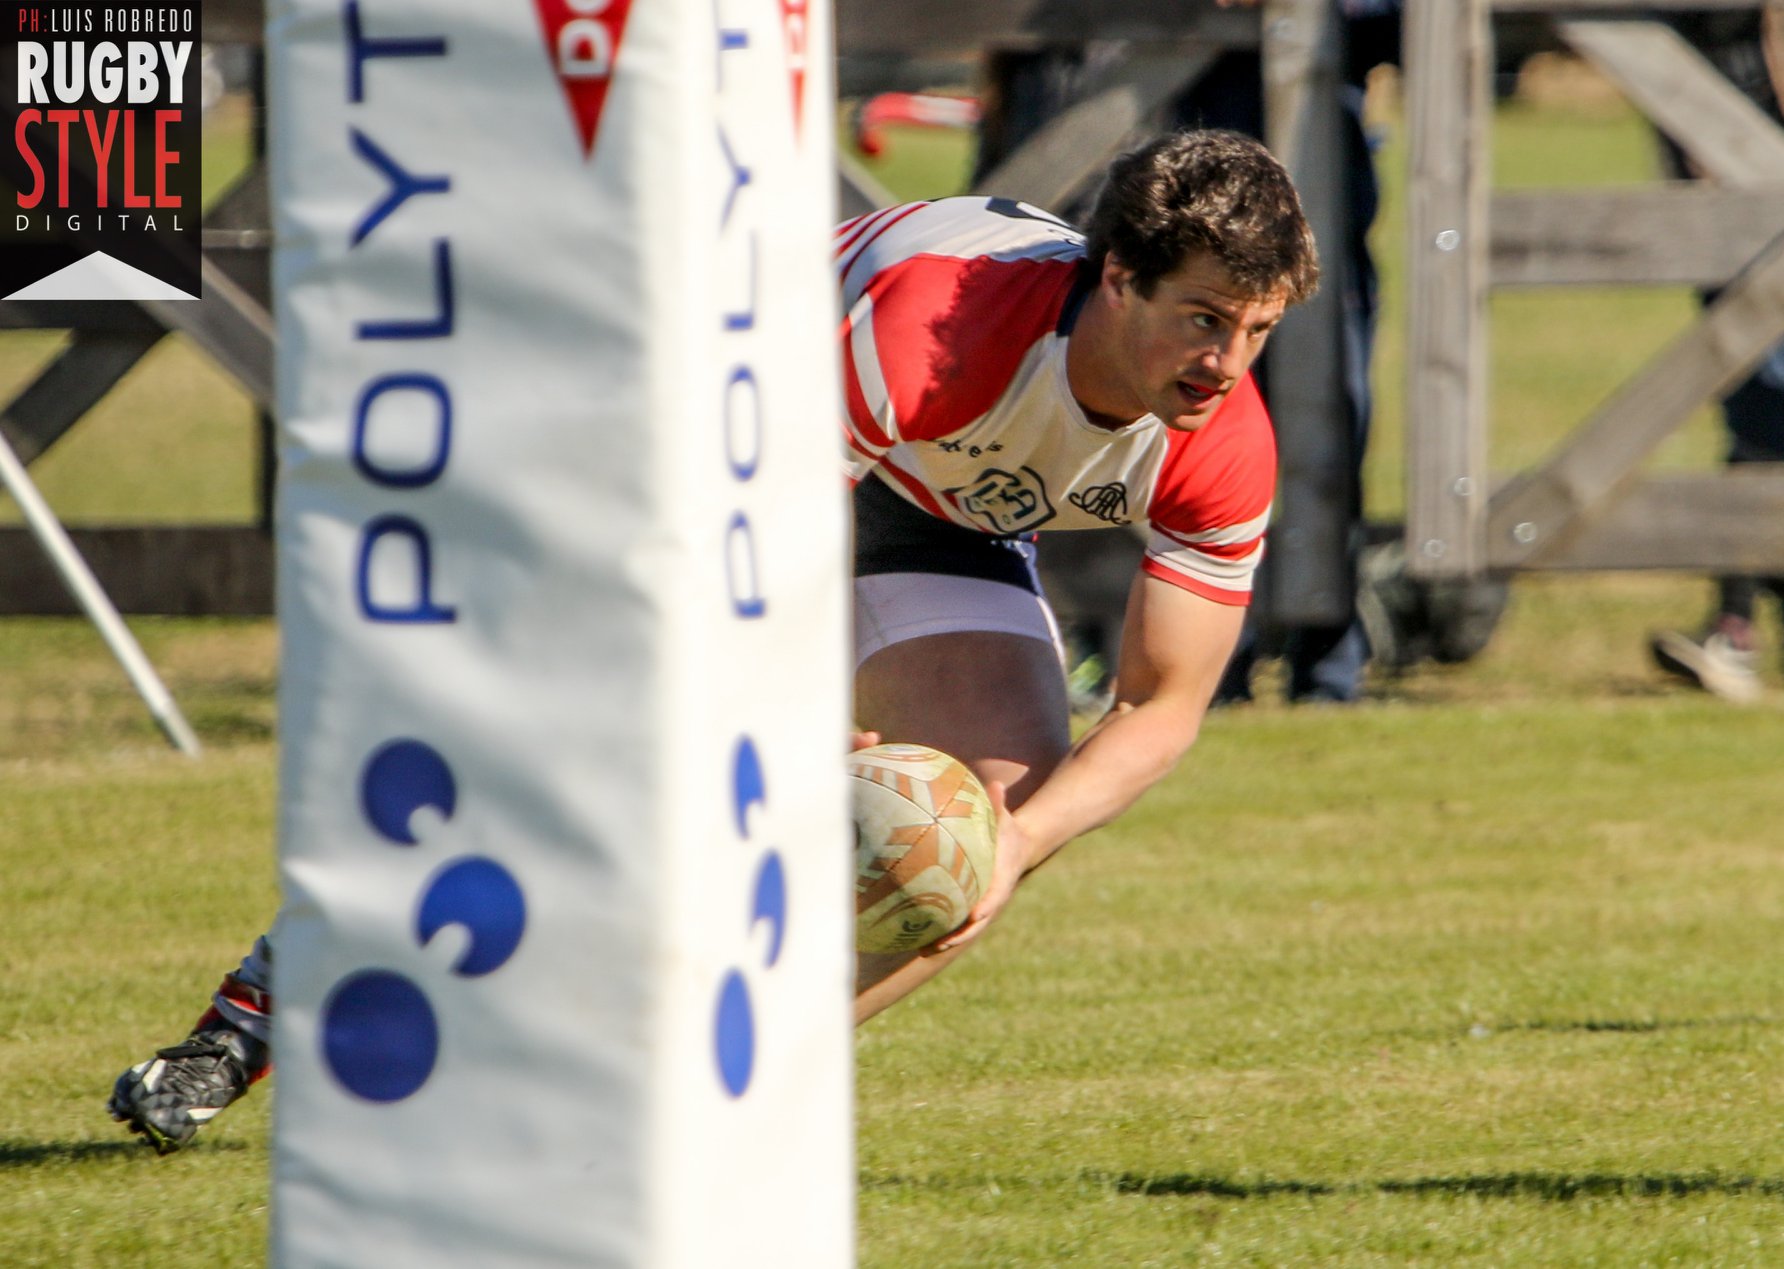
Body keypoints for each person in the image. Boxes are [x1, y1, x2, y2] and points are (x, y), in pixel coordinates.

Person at [110, 128, 1319, 1143]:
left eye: (1256, 330)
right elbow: (746, 543)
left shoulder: (1223, 446)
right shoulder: (934, 329)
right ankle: (259, 1009)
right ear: (1116, 278)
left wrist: (1017, 843)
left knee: (963, 844)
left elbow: (1161, 706)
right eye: (1202, 320)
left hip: (931, 501)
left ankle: (673, 1105)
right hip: (711, 445)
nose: (1225, 364)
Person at [1646, 5, 1784, 703]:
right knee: (1754, 396)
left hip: (1754, 159)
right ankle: (1737, 623)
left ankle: (1737, 625)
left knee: (1764, 397)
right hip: (1718, 161)